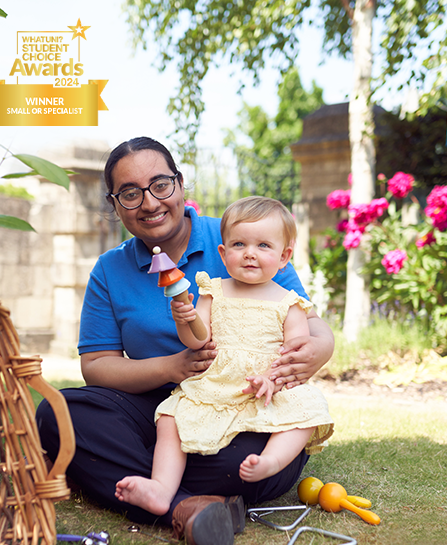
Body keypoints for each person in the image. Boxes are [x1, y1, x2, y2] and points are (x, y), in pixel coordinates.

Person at [36, 137, 335, 545]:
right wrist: (171, 367)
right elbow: (96, 366)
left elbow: (310, 324)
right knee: (60, 414)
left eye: (160, 184)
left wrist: (318, 348)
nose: (149, 202)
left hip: (245, 404)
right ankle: (185, 507)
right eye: (129, 193)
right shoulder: (110, 269)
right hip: (162, 407)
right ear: (115, 204)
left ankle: (149, 485)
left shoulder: (240, 236)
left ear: (180, 184)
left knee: (237, 461)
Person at [114, 196, 334, 517]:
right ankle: (161, 488)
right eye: (239, 244)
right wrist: (184, 317)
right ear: (223, 252)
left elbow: (293, 356)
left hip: (264, 387)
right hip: (217, 383)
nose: (249, 253)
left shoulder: (290, 303)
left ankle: (271, 460)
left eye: (263, 246)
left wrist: (271, 380)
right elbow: (197, 340)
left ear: (284, 256)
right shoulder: (213, 290)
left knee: (306, 412)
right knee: (171, 420)